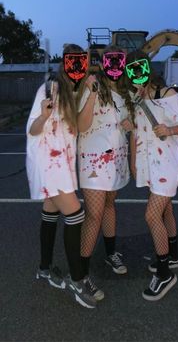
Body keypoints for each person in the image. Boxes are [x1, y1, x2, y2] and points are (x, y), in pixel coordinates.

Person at [26, 44, 97, 309]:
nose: (77, 67)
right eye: (73, 62)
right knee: (76, 214)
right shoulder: (48, 89)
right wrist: (43, 115)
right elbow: (32, 130)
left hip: (63, 165)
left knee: (50, 212)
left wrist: (90, 96)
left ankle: (44, 269)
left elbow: (80, 127)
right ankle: (77, 280)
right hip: (48, 164)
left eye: (82, 62)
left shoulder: (72, 92)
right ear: (64, 64)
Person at [126, 50, 178, 301]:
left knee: (151, 214)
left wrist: (169, 128)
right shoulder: (136, 96)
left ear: (148, 68)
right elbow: (134, 131)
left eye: (139, 68)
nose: (136, 74)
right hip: (149, 164)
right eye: (130, 70)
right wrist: (133, 161)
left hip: (167, 164)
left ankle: (164, 272)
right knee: (166, 210)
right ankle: (173, 255)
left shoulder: (167, 95)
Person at [77, 46, 135, 295]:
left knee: (110, 206)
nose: (113, 66)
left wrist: (130, 125)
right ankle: (80, 274)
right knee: (94, 215)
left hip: (117, 161)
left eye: (118, 61)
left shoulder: (126, 92)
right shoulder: (90, 86)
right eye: (109, 61)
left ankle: (111, 253)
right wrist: (90, 94)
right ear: (102, 63)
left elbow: (132, 127)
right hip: (93, 163)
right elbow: (81, 125)